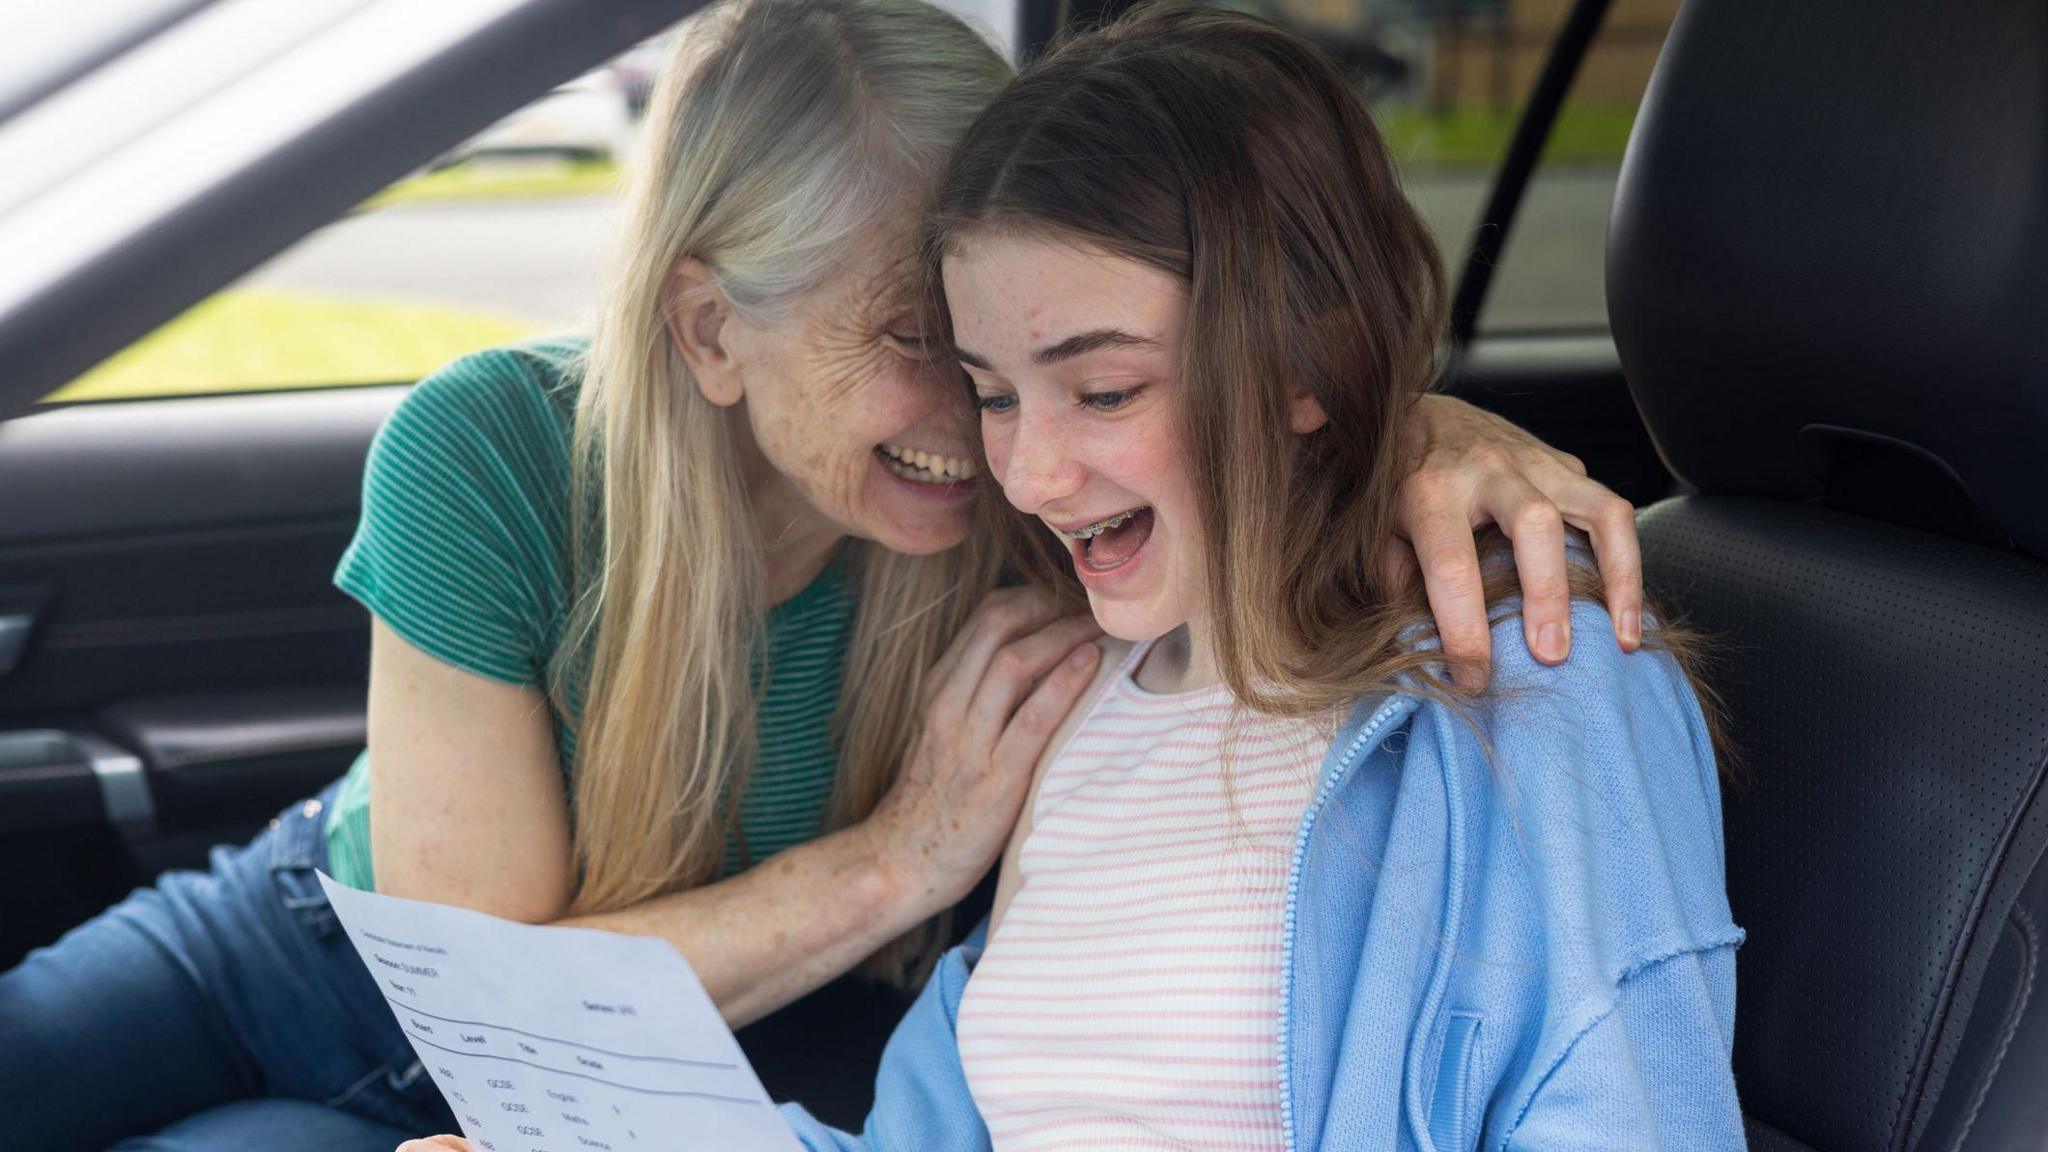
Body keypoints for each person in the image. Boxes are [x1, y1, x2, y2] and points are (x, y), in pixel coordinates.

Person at [0, 2, 1650, 1149]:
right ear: (713, 329)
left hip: (680, 1071)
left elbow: (1225, 407)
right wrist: (898, 858)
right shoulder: (494, 452)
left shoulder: (1035, 494)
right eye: (918, 344)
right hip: (329, 950)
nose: (983, 425)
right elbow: (481, 998)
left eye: (1000, 355)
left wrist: (1419, 427)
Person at [777, 4, 1738, 1146]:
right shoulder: (1077, 689)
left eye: (1102, 392)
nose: (1027, 476)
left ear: (1305, 366)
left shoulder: (1535, 677)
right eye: (993, 394)